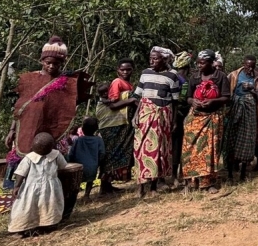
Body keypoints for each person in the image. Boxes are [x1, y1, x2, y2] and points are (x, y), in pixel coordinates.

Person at [4, 36, 89, 186]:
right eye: (48, 63)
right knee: (25, 164)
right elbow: (20, 108)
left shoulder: (67, 82)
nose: (51, 66)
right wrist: (12, 130)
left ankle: (51, 192)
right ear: (42, 61)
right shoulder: (29, 80)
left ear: (62, 63)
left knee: (50, 166)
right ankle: (20, 190)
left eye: (56, 63)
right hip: (26, 129)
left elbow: (68, 107)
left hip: (53, 131)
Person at [132, 47, 180, 197]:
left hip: (163, 116)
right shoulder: (145, 73)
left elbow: (176, 101)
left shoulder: (172, 76)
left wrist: (174, 121)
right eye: (151, 58)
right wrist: (135, 116)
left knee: (158, 150)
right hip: (145, 114)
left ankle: (153, 186)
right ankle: (140, 187)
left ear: (165, 60)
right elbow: (139, 97)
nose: (151, 61)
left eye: (155, 58)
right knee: (140, 149)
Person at [182, 50, 231, 194]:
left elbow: (226, 97)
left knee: (210, 150)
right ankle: (191, 181)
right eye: (198, 63)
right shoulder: (194, 77)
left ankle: (208, 183)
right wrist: (193, 102)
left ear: (211, 63)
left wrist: (213, 101)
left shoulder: (220, 77)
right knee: (190, 149)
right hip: (195, 118)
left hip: (213, 117)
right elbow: (188, 97)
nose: (199, 65)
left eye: (202, 63)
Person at [8, 132, 68, 236]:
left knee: (35, 207)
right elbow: (63, 167)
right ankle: (22, 227)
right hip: (46, 189)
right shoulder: (32, 158)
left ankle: (45, 225)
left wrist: (17, 186)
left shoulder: (55, 155)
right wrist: (17, 186)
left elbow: (20, 173)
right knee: (44, 207)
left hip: (37, 189)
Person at [96, 58, 138, 194]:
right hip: (113, 125)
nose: (125, 71)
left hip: (120, 124)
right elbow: (113, 104)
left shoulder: (127, 83)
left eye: (128, 69)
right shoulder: (117, 82)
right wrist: (131, 100)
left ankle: (107, 185)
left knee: (113, 155)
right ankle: (104, 186)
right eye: (122, 69)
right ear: (117, 70)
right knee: (110, 155)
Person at [225, 55, 258, 181]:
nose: (250, 68)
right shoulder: (233, 75)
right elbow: (227, 92)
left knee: (247, 139)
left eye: (252, 65)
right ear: (243, 64)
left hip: (250, 110)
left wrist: (252, 89)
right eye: (248, 65)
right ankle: (229, 173)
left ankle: (243, 172)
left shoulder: (257, 77)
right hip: (235, 109)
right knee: (231, 138)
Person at [68, 117, 105, 203]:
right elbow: (102, 153)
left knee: (77, 182)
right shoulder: (98, 140)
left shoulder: (78, 140)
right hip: (92, 166)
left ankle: (74, 198)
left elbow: (71, 153)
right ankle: (86, 195)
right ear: (96, 129)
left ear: (82, 129)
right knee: (90, 181)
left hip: (79, 165)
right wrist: (98, 162)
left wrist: (70, 161)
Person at [172, 51, 193, 185]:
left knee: (176, 145)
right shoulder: (183, 80)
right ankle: (175, 175)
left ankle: (176, 175)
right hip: (179, 115)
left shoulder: (173, 77)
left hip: (176, 114)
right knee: (177, 145)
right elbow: (181, 100)